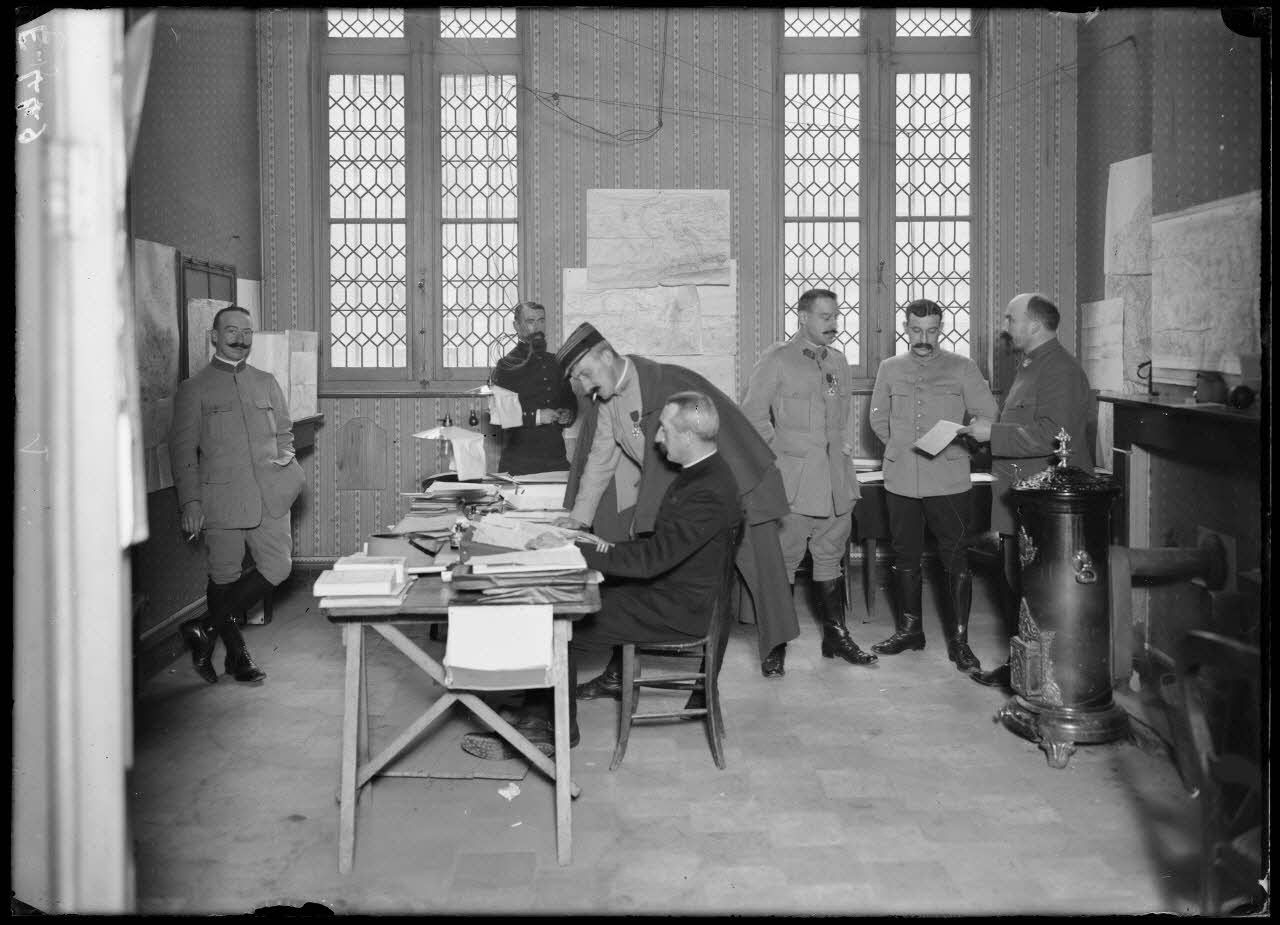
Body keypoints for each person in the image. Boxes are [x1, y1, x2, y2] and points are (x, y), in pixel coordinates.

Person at [461, 392, 742, 758]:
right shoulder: (705, 473)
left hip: (677, 608)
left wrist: (577, 551)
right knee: (558, 605)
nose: (657, 439)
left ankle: (549, 729)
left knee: (559, 620)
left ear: (688, 436)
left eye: (665, 431)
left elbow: (652, 561)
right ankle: (538, 709)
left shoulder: (706, 489)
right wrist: (599, 544)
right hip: (673, 590)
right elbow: (668, 546)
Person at [552, 322, 800, 688]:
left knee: (762, 568)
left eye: (585, 374)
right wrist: (579, 518)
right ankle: (629, 663)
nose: (585, 386)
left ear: (606, 356)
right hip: (688, 490)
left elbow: (711, 438)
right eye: (578, 380)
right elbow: (601, 459)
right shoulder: (607, 401)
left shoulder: (667, 383)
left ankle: (775, 643)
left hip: (737, 480)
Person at [957, 292, 1094, 688]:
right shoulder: (1032, 365)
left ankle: (1045, 678)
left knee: (1037, 592)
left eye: (1010, 319)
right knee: (1017, 586)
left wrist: (992, 433)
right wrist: (983, 440)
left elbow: (1054, 435)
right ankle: (1022, 668)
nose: (1005, 328)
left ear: (1034, 324)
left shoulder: (1060, 370)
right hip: (1019, 497)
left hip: (1042, 506)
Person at [740, 288, 877, 671]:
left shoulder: (838, 361)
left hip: (835, 482)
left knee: (831, 556)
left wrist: (842, 451)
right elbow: (752, 416)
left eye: (836, 316)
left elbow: (841, 418)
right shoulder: (777, 360)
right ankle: (776, 643)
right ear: (803, 317)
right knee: (784, 560)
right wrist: (780, 457)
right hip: (794, 484)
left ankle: (836, 637)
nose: (833, 324)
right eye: (824, 317)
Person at [169, 305, 305, 684]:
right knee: (224, 576)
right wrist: (191, 503)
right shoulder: (194, 389)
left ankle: (204, 628)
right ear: (214, 336)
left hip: (270, 497)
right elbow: (182, 452)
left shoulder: (266, 381)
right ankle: (237, 655)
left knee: (278, 567)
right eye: (231, 331)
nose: (240, 339)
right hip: (221, 501)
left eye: (246, 332)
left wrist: (285, 469)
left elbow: (285, 433)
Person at [867, 298, 998, 671]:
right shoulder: (889, 368)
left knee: (955, 557)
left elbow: (988, 415)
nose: (923, 338)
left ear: (941, 329)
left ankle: (959, 641)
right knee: (905, 555)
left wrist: (959, 439)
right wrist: (900, 447)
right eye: (916, 330)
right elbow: (878, 418)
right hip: (902, 477)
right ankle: (910, 631)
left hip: (949, 477)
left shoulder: (963, 367)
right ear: (905, 329)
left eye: (931, 331)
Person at [490, 300, 578, 475]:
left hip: (556, 460)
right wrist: (538, 416)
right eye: (530, 321)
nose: (537, 327)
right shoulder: (506, 365)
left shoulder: (556, 362)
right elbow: (499, 414)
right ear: (517, 326)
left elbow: (570, 401)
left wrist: (568, 413)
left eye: (541, 320)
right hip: (519, 465)